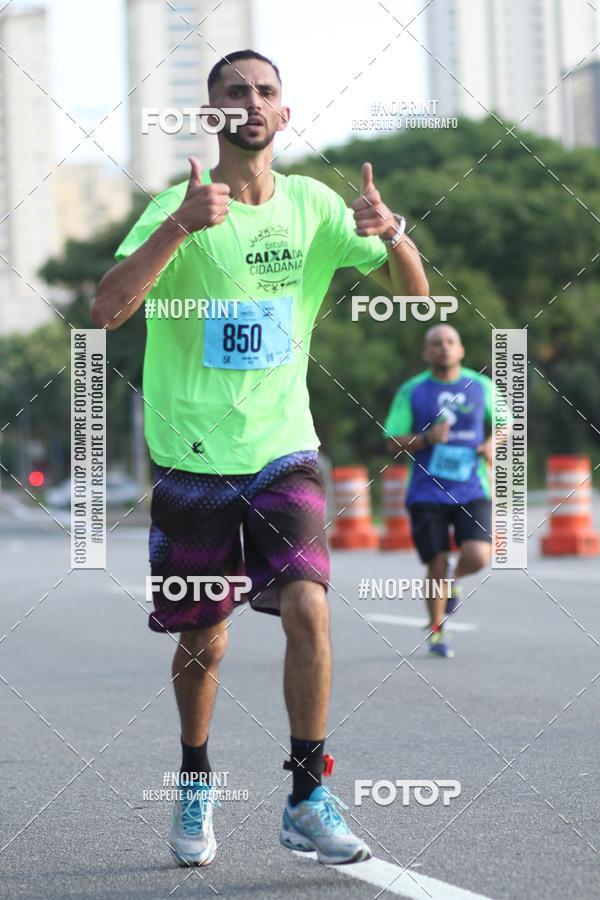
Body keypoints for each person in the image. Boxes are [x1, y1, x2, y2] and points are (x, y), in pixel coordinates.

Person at [92, 49, 429, 866]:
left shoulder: (313, 206)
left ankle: (308, 797)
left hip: (284, 447)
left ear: (284, 113)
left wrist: (394, 233)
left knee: (310, 608)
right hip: (192, 452)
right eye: (234, 91)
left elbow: (415, 297)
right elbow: (106, 310)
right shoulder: (177, 208)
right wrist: (179, 226)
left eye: (265, 91)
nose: (251, 101)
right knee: (205, 636)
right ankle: (195, 777)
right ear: (211, 114)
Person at [384, 325, 493, 659]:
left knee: (479, 554)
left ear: (460, 349)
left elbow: (508, 424)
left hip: (472, 487)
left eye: (450, 342)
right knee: (436, 562)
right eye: (435, 343)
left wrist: (492, 443)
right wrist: (427, 439)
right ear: (426, 352)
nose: (443, 348)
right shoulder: (412, 391)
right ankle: (437, 631)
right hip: (426, 491)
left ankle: (453, 581)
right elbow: (391, 441)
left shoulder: (481, 385)